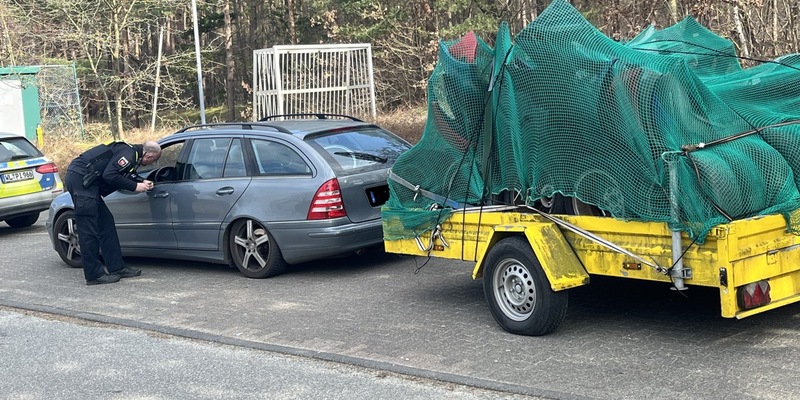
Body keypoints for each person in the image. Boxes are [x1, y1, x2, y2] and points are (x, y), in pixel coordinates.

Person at [65, 140, 162, 285]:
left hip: (88, 182)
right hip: (81, 180)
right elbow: (109, 175)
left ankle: (117, 267)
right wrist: (136, 186)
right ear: (148, 155)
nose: (151, 164)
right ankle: (94, 275)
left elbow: (123, 173)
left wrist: (142, 181)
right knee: (88, 230)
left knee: (106, 224)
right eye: (153, 160)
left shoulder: (131, 155)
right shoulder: (128, 154)